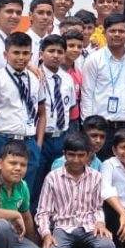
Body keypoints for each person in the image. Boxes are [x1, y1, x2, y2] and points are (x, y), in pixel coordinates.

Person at [35, 132, 118, 248]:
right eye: (71, 155)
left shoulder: (96, 177)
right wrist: (46, 234)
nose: (76, 160)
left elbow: (97, 207)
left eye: (81, 155)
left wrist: (100, 223)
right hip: (62, 228)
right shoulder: (52, 177)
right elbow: (43, 211)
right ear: (64, 154)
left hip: (89, 227)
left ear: (88, 155)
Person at [80, 13, 125, 160]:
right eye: (112, 31)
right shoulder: (94, 60)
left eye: (121, 31)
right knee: (100, 168)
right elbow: (87, 94)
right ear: (104, 33)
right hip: (102, 129)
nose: (117, 34)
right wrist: (88, 128)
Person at [0, 31, 46, 189]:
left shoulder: (35, 79)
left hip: (29, 141)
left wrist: (38, 144)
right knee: (2, 189)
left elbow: (42, 113)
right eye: (16, 53)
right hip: (5, 139)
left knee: (27, 189)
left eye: (25, 53)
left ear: (31, 55)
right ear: (5, 54)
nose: (21, 57)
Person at [37, 34, 75, 202]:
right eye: (51, 51)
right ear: (41, 53)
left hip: (61, 137)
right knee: (38, 181)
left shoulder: (67, 79)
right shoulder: (35, 76)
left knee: (59, 183)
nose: (55, 55)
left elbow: (69, 107)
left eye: (60, 52)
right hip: (41, 137)